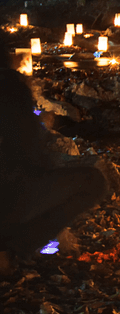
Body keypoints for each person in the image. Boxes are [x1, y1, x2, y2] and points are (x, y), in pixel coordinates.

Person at [0, 59, 106, 263]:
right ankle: (13, 249)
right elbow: (26, 156)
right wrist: (41, 127)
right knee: (93, 181)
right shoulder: (10, 87)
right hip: (10, 197)